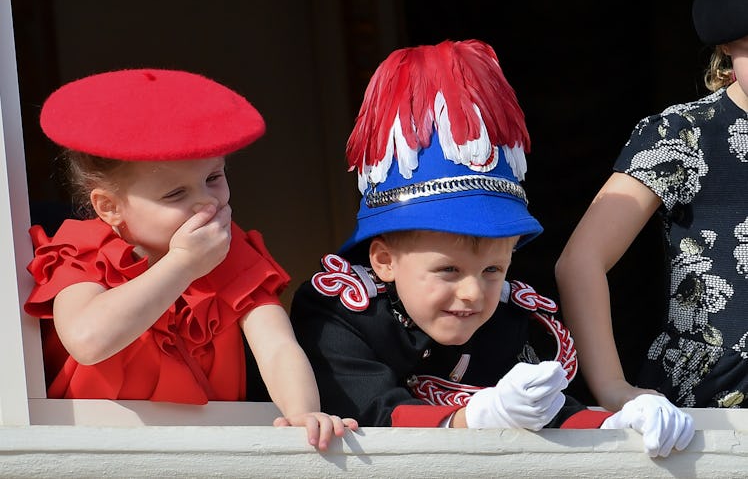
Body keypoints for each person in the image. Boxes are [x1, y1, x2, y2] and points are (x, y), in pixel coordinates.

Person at [290, 40, 694, 457]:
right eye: (449, 270)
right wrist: (474, 418)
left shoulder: (510, 318)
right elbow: (370, 410)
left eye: (493, 270)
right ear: (384, 260)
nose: (474, 293)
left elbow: (550, 414)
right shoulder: (335, 315)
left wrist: (621, 420)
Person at [24, 68, 357, 450]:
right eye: (175, 194)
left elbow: (277, 345)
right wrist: (182, 264)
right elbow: (88, 340)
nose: (207, 200)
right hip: (91, 446)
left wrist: (303, 412)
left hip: (206, 446)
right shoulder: (82, 250)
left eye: (214, 177)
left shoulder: (231, 252)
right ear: (109, 206)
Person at [555, 0, 748, 413]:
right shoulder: (684, 133)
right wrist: (612, 388)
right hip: (709, 400)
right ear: (728, 44)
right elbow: (581, 260)